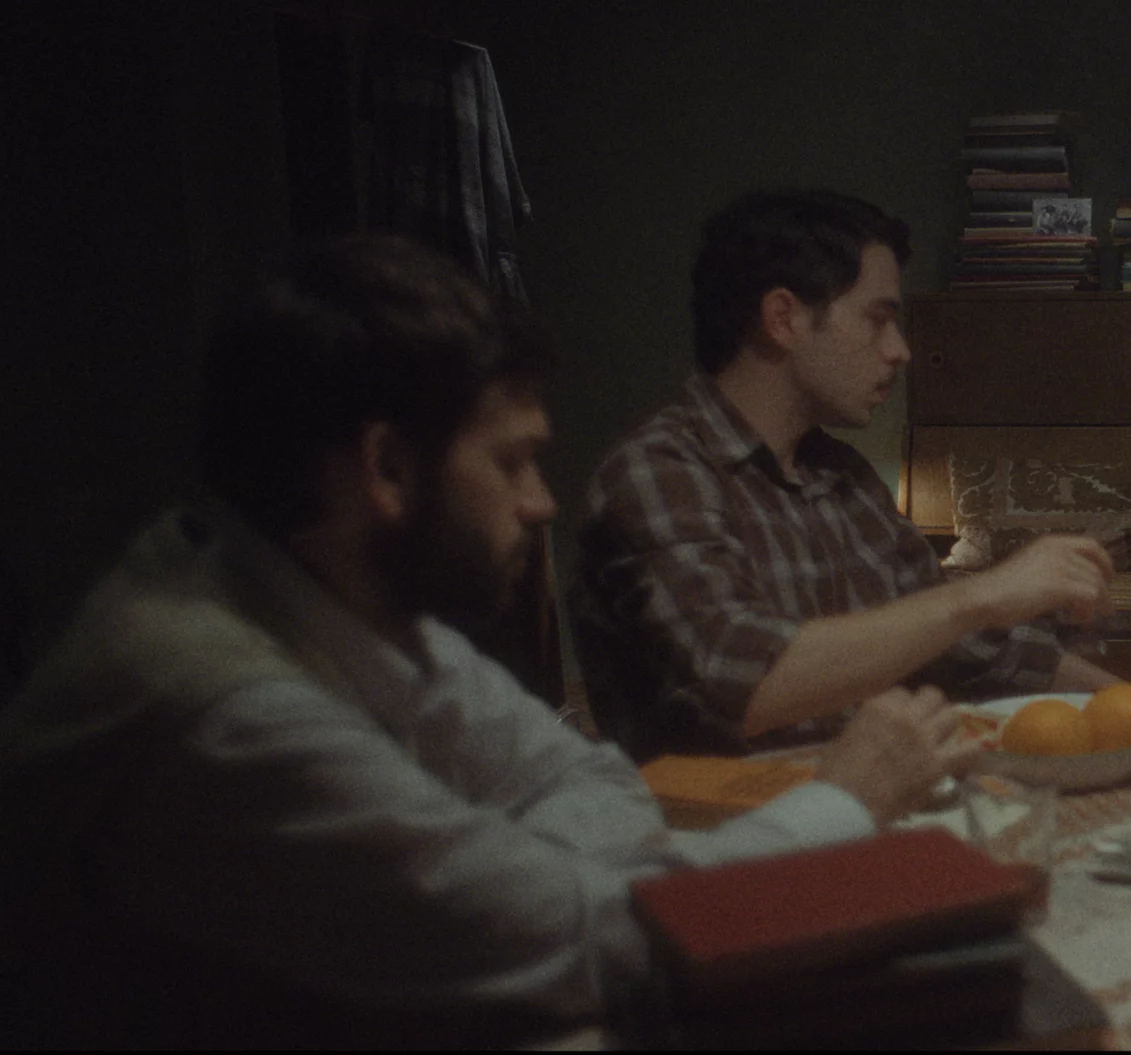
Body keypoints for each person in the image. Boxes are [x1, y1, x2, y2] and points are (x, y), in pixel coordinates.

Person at [0, 237, 975, 1047]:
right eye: (511, 461)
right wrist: (842, 800)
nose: (541, 501)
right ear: (387, 467)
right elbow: (616, 942)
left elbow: (586, 777)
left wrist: (534, 885)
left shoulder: (338, 601)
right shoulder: (224, 718)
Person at [573, 190, 1119, 759]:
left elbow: (969, 645)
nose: (900, 350)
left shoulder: (840, 474)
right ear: (783, 318)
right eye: (877, 320)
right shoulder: (658, 469)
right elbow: (740, 680)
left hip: (871, 792)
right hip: (732, 810)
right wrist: (984, 594)